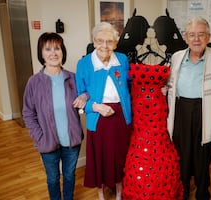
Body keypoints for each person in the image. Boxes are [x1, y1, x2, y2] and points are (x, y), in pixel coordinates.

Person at [167, 17, 211, 200]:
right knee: (181, 153)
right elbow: (169, 85)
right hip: (181, 109)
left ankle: (203, 191)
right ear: (185, 37)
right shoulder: (177, 57)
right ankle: (183, 190)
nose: (196, 39)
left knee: (203, 153)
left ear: (208, 36)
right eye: (191, 35)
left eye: (201, 35)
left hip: (206, 109)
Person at [22, 32, 86, 200]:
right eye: (48, 49)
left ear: (62, 51)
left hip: (71, 141)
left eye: (57, 48)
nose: (53, 53)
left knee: (70, 176)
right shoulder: (34, 82)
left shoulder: (72, 78)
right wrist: (39, 137)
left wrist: (85, 96)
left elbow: (86, 94)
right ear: (41, 54)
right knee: (52, 179)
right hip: (47, 142)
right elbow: (28, 113)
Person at [122, 27, 184, 199]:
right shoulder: (131, 56)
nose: (150, 34)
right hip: (140, 109)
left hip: (158, 109)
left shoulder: (168, 54)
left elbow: (174, 80)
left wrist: (168, 89)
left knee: (161, 147)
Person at [75, 22, 131, 200]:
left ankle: (119, 193)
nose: (104, 46)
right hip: (97, 117)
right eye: (100, 41)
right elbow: (80, 95)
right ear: (93, 41)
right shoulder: (84, 63)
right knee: (99, 156)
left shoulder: (122, 60)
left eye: (109, 41)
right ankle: (100, 194)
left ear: (115, 43)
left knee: (120, 156)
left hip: (121, 116)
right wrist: (95, 107)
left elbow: (131, 86)